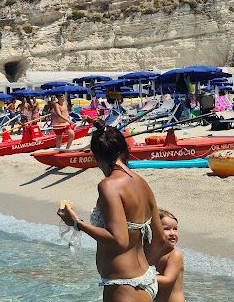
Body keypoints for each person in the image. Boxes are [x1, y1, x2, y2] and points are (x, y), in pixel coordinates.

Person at [57, 119, 163, 301]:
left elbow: (119, 240)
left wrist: (76, 223)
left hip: (122, 284)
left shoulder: (109, 186)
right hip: (146, 279)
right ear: (125, 149)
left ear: (96, 157)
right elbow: (160, 238)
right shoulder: (141, 183)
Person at [155, 209, 185, 302]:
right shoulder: (152, 253)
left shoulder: (174, 255)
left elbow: (167, 280)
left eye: (175, 229)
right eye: (166, 229)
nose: (172, 233)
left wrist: (142, 277)